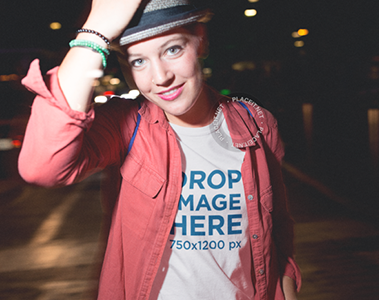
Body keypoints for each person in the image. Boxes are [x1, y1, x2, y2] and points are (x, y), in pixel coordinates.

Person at [18, 0, 301, 299]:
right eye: (139, 61)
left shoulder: (256, 123)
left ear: (200, 40)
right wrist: (94, 34)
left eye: (172, 50)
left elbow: (276, 232)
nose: (161, 77)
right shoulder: (126, 126)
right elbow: (43, 168)